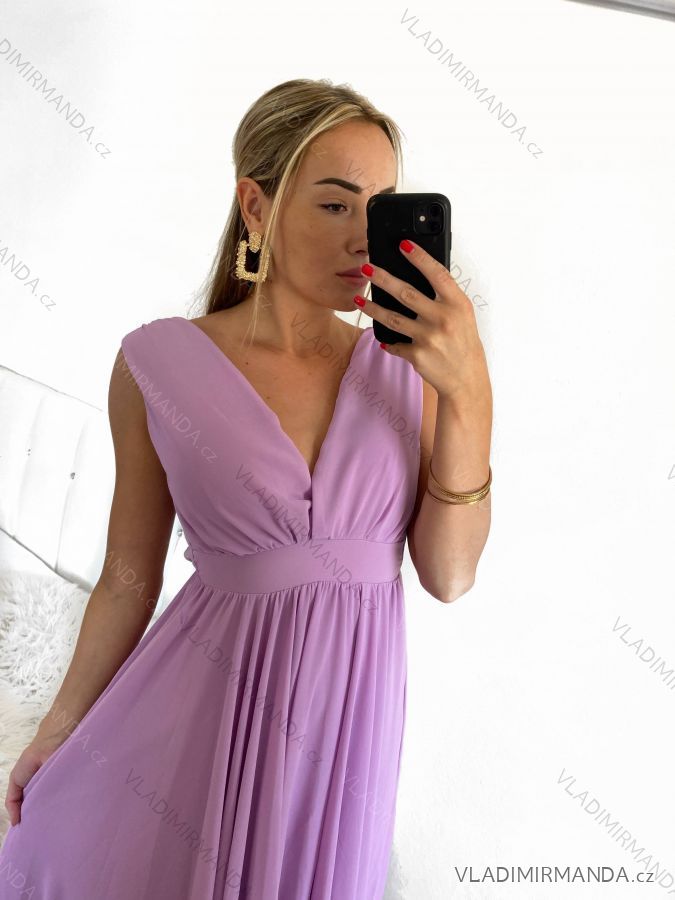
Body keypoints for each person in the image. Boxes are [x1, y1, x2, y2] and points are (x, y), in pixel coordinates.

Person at [0, 78, 492, 899]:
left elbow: (449, 575)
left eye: (377, 209)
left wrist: (469, 389)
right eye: (333, 204)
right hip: (200, 719)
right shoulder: (157, 364)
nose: (361, 237)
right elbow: (127, 577)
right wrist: (58, 726)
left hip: (348, 737)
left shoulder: (415, 372)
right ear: (255, 207)